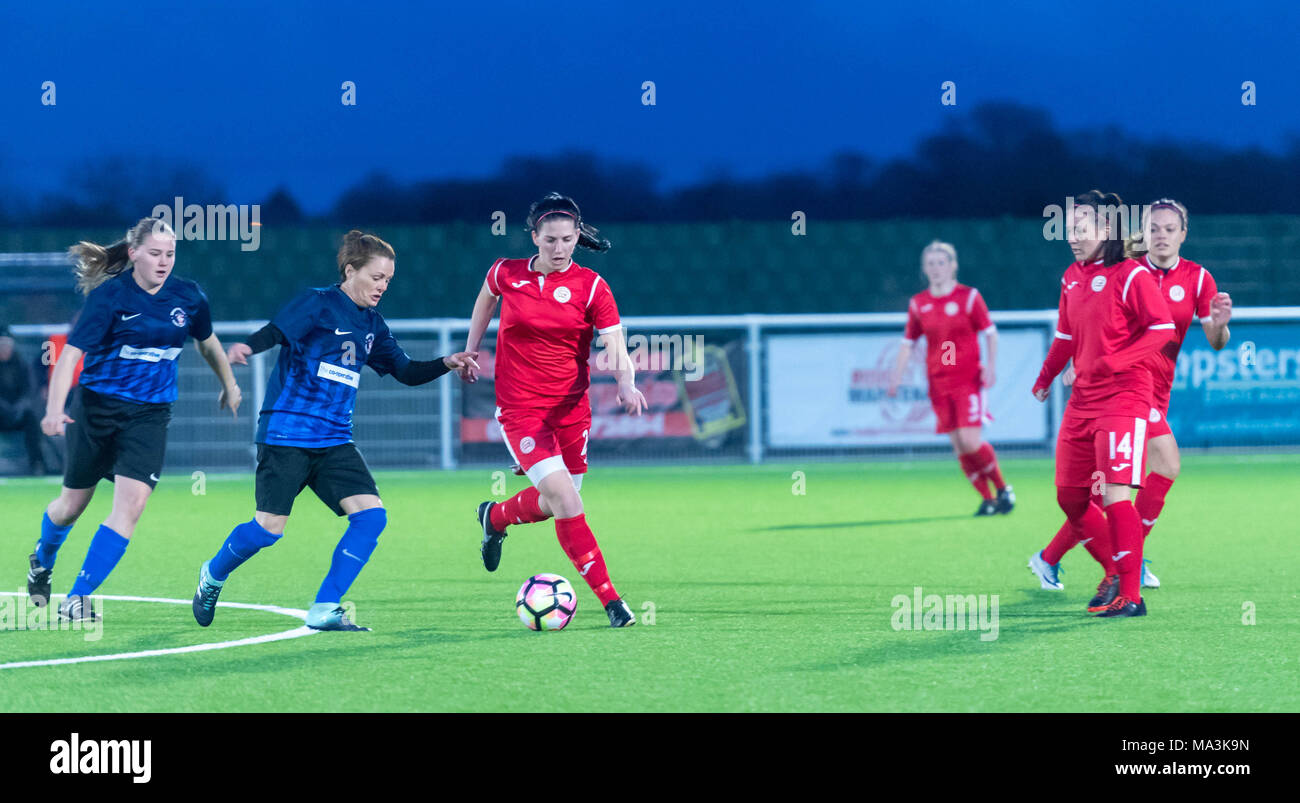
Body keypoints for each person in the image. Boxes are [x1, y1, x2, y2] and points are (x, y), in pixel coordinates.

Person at [191, 230, 478, 631]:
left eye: (388, 281)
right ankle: (213, 574)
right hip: (287, 434)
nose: (383, 286)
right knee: (267, 530)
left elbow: (407, 372)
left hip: (335, 441)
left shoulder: (374, 324)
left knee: (371, 518)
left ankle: (325, 606)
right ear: (350, 270)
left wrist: (447, 361)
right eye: (377, 277)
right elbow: (277, 331)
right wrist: (247, 348)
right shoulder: (318, 303)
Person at [27, 218, 241, 621]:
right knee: (72, 505)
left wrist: (229, 383)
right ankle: (42, 558)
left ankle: (78, 598)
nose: (164, 262)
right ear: (134, 253)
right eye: (156, 253)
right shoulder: (110, 298)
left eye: (171, 254)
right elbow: (70, 354)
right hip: (96, 409)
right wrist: (54, 410)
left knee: (132, 506)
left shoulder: (189, 297)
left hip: (149, 415)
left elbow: (206, 340)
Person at [462, 193, 646, 628]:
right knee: (565, 499)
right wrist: (471, 350)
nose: (559, 248)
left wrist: (626, 381)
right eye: (550, 241)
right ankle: (612, 601)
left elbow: (614, 342)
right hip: (521, 409)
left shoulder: (593, 287)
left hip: (570, 411)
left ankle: (496, 516)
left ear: (578, 236)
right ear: (534, 238)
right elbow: (485, 299)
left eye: (567, 239)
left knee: (559, 500)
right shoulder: (507, 273)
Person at [1058, 199, 1231, 589]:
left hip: (1158, 388)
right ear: (1142, 232)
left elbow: (1216, 342)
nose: (1162, 235)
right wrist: (1081, 359)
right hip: (1128, 389)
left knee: (1110, 487)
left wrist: (1220, 326)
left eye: (1170, 229)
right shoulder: (1125, 269)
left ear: (1183, 233)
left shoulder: (1199, 279)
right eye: (1154, 228)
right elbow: (1085, 316)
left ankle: (1059, 557)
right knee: (1159, 468)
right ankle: (1125, 567)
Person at [1027, 191, 1176, 618]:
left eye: (1081, 229)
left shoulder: (1131, 275)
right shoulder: (1072, 276)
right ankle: (1114, 569)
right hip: (1082, 401)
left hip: (1125, 396)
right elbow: (1065, 337)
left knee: (1114, 495)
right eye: (1068, 229)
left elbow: (1161, 328)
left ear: (1106, 228)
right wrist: (1044, 378)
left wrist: (1115, 360)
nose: (1072, 237)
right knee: (1072, 498)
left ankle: (1131, 595)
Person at [887, 241, 1013, 516]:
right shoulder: (919, 304)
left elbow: (991, 333)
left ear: (953, 265)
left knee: (970, 441)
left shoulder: (968, 297)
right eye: (930, 263)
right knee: (958, 445)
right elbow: (907, 342)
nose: (936, 268)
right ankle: (988, 499)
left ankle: (1004, 488)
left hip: (967, 379)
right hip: (938, 381)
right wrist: (896, 376)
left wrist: (991, 366)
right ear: (924, 269)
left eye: (941, 262)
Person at [0, 326, 48, 475]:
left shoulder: (21, 364)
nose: (4, 349)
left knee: (31, 419)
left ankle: (37, 464)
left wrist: (20, 407)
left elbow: (29, 391)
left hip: (17, 413)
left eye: (7, 345)